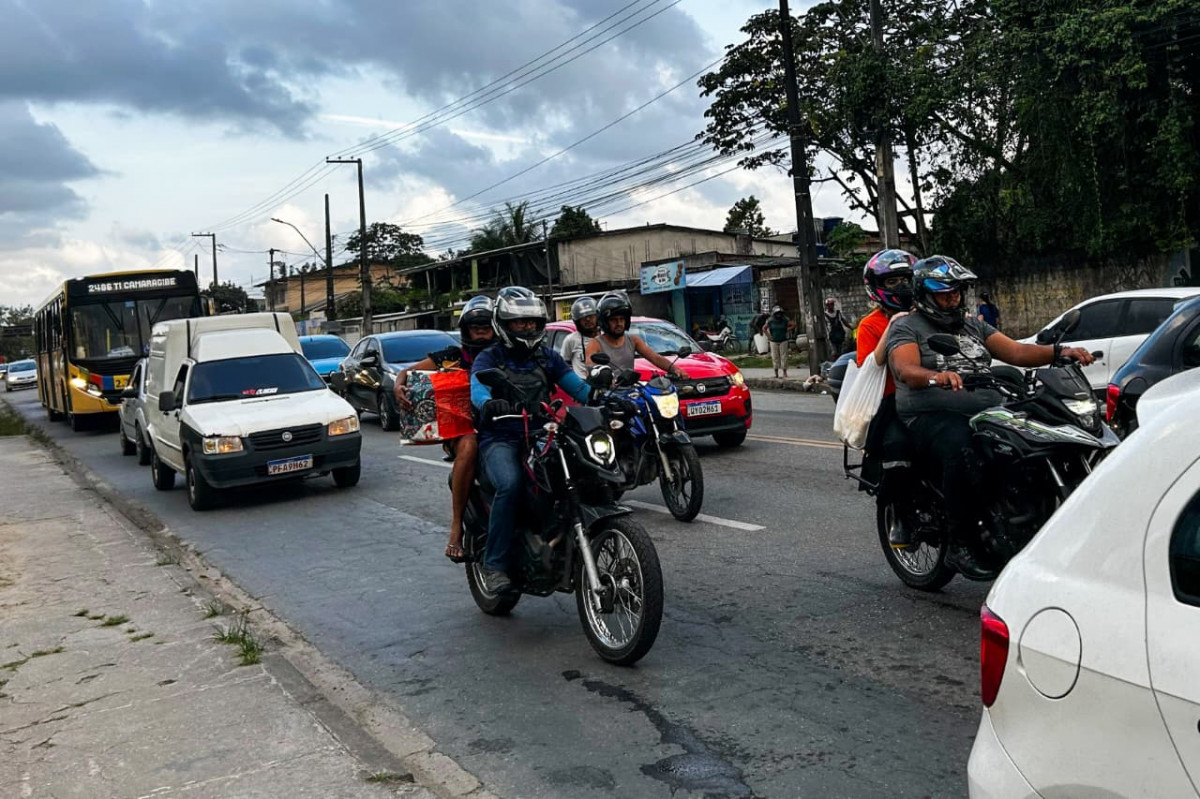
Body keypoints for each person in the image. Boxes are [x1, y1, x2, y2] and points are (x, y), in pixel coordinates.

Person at [886, 256, 1095, 578]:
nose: (952, 298)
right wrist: (936, 376)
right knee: (962, 448)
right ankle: (961, 542)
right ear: (925, 295)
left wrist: (1059, 352)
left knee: (1030, 439)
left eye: (956, 292)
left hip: (985, 407)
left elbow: (1017, 352)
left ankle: (1022, 514)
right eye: (945, 293)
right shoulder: (907, 327)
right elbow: (905, 368)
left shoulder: (973, 324)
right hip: (931, 412)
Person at [471, 287, 593, 595]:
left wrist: (606, 395)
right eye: (519, 323)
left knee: (578, 472)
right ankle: (494, 563)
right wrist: (488, 403)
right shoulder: (489, 357)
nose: (527, 328)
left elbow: (578, 389)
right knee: (510, 484)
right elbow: (478, 389)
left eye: (532, 322)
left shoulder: (546, 357)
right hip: (501, 438)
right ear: (504, 324)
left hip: (543, 434)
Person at [394, 295, 495, 564]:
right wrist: (398, 385)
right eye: (478, 329)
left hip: (505, 423)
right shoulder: (453, 358)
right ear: (466, 331)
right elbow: (407, 372)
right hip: (463, 428)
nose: (483, 334)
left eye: (487, 328)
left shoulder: (506, 353)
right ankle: (456, 528)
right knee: (470, 444)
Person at [854, 249, 917, 547]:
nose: (902, 287)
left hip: (930, 393)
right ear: (877, 287)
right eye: (893, 282)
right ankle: (901, 518)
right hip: (890, 403)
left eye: (906, 279)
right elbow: (872, 365)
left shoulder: (926, 313)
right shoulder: (870, 325)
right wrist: (894, 325)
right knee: (897, 449)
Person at [584, 292, 687, 378]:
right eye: (613, 320)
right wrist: (602, 376)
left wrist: (675, 369)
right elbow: (590, 364)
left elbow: (655, 357)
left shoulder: (633, 340)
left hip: (630, 391)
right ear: (605, 322)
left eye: (622, 319)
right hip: (606, 393)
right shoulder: (595, 343)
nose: (619, 323)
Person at [559, 296, 598, 378]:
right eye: (583, 318)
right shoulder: (571, 340)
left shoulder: (606, 337)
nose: (588, 320)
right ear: (577, 321)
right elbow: (563, 365)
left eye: (591, 316)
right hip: (583, 386)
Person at [761, 306, 795, 378]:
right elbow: (764, 328)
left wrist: (786, 330)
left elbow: (793, 324)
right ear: (774, 314)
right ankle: (776, 373)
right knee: (775, 356)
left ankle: (784, 372)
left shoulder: (785, 319)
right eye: (777, 313)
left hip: (783, 340)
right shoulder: (770, 320)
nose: (778, 315)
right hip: (773, 341)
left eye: (780, 313)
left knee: (784, 356)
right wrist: (769, 336)